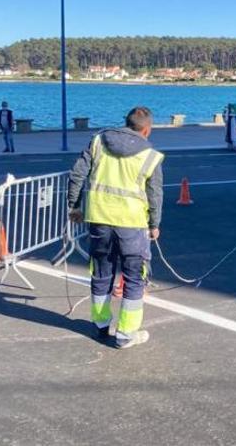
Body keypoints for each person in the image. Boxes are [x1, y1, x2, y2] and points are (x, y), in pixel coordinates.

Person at [66, 106, 164, 349]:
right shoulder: (150, 155)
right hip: (132, 224)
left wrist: (74, 206)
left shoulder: (99, 141)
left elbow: (77, 174)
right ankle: (126, 333)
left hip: (99, 219)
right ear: (147, 130)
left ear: (125, 123)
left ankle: (100, 325)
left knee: (101, 272)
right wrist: (154, 224)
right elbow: (155, 194)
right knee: (133, 277)